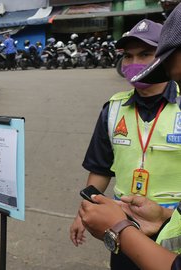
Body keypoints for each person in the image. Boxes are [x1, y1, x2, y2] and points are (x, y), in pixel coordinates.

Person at [69, 18, 181, 270]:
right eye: (128, 56)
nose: (134, 63)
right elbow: (99, 169)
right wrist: (83, 212)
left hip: (174, 232)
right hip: (122, 226)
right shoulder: (113, 109)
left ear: (164, 56)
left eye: (145, 54)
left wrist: (166, 217)